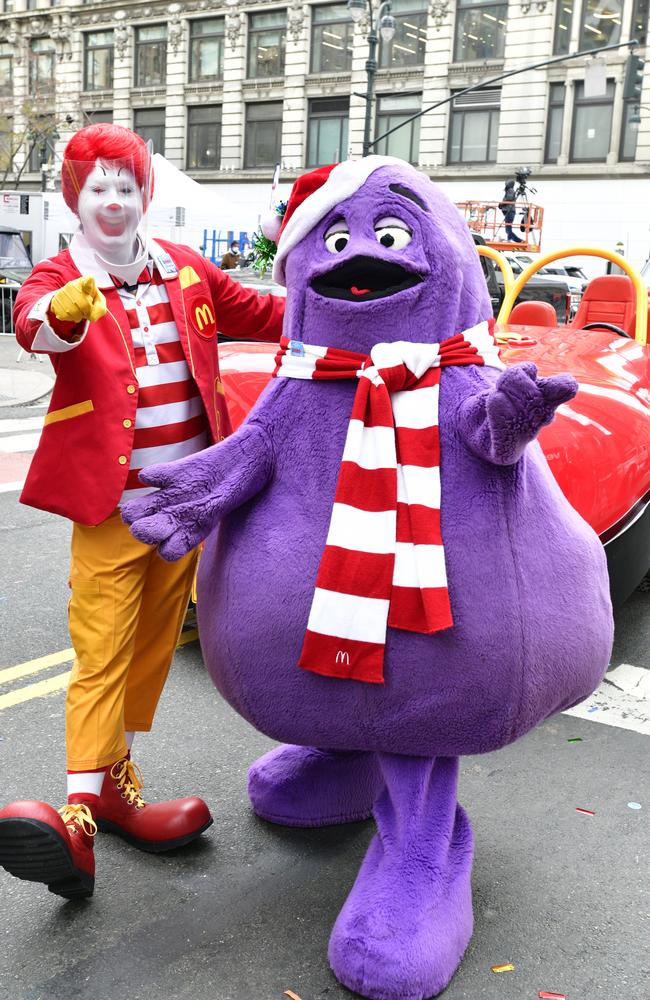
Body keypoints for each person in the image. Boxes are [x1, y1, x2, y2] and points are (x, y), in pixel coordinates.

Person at [0, 124, 285, 901]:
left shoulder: (185, 270)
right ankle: (80, 817)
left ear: (145, 195)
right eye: (98, 189)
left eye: (127, 187)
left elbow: (260, 314)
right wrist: (63, 313)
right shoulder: (63, 274)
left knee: (152, 650)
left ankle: (117, 789)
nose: (115, 202)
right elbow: (33, 326)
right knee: (100, 654)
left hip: (186, 507)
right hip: (112, 512)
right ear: (75, 202)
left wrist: (343, 297)